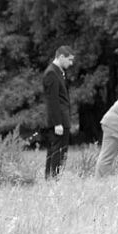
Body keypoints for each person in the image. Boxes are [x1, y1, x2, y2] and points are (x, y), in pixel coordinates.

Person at [43, 45, 75, 179]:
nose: (71, 63)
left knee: (61, 151)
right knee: (57, 150)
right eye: (69, 59)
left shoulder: (60, 72)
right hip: (58, 121)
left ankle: (53, 178)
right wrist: (57, 123)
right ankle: (52, 178)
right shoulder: (51, 73)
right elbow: (53, 100)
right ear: (61, 57)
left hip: (63, 119)